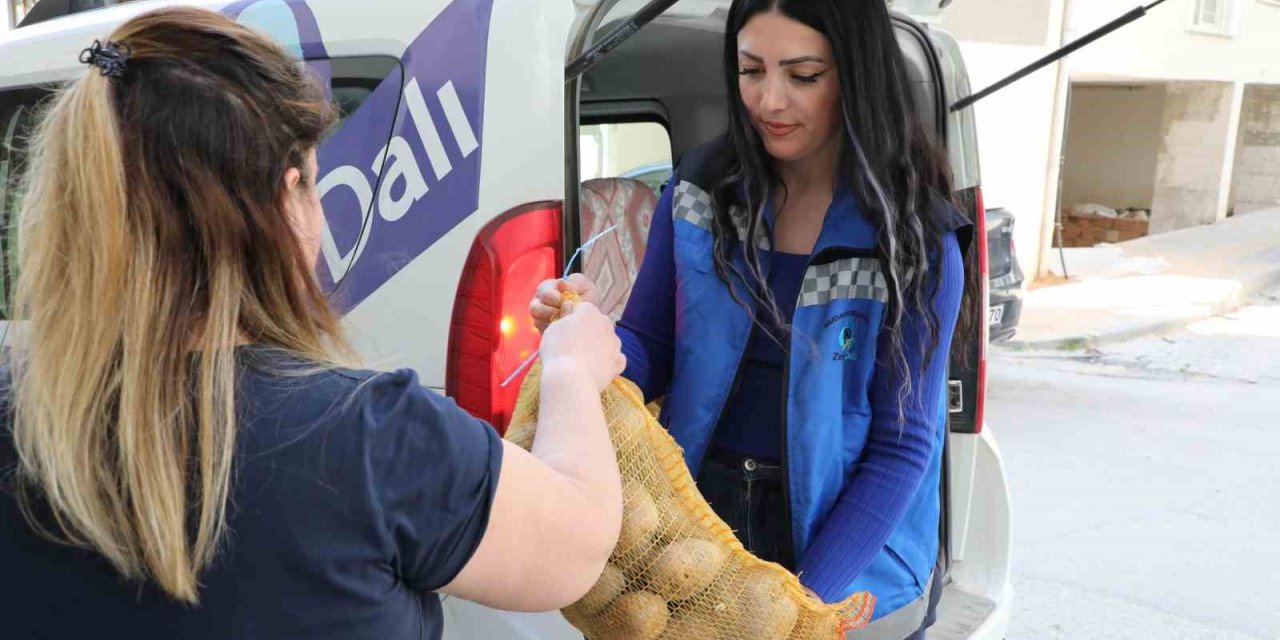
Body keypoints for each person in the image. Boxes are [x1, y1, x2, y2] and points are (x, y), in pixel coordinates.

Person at [0, 8, 625, 640]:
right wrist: (571, 370)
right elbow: (575, 548)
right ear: (287, 195)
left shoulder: (15, 417)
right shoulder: (365, 434)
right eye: (317, 188)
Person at [532, 1, 973, 637]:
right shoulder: (700, 192)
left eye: (803, 75)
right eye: (750, 70)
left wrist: (801, 607)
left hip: (849, 550)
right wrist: (583, 339)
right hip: (700, 526)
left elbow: (902, 448)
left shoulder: (916, 240)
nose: (769, 101)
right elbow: (650, 346)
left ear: (857, 74)